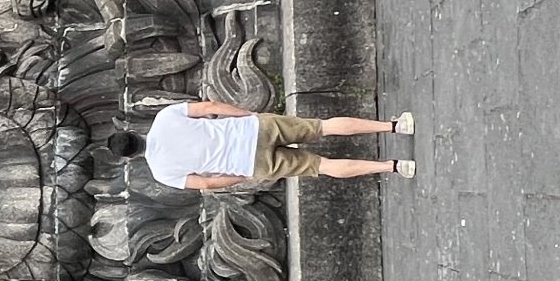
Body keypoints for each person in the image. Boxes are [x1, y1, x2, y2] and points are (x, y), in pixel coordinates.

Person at [117, 102, 416, 190]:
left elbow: (206, 183)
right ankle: (394, 126)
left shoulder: (161, 173)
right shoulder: (164, 117)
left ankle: (393, 167)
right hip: (253, 129)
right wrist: (247, 115)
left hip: (250, 164)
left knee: (321, 166)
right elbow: (210, 107)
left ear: (130, 158)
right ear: (133, 131)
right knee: (321, 127)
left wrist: (241, 176)